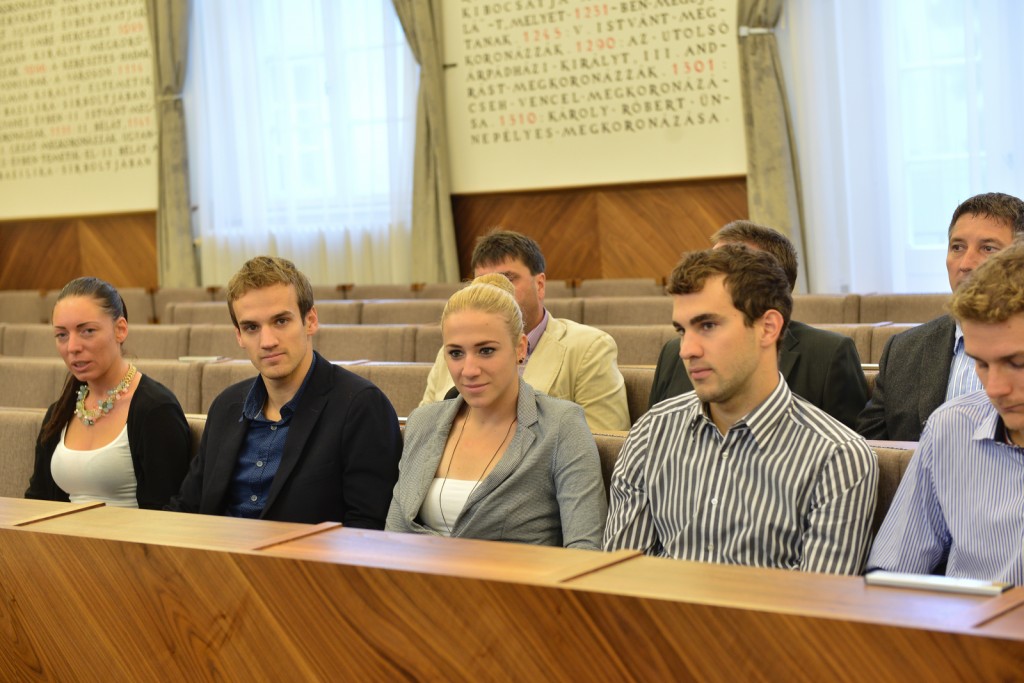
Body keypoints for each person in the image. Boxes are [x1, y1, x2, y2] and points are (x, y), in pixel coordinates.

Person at [604, 246, 878, 574]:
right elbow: (621, 579)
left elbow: (817, 601)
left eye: (707, 325)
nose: (686, 350)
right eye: (682, 330)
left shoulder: (837, 457)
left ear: (768, 328)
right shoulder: (651, 433)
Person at [165, 256, 402, 526]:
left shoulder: (361, 406)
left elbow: (367, 528)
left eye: (280, 321)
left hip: (305, 554)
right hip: (217, 550)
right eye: (251, 327)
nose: (267, 341)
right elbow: (187, 507)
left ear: (310, 321)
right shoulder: (226, 406)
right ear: (239, 336)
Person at [388, 273, 607, 548]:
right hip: (417, 574)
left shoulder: (561, 425)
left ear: (520, 348)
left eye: (486, 351)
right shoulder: (423, 422)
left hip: (519, 576)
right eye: (456, 353)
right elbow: (393, 537)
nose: (469, 370)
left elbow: (585, 549)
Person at [868, 242, 1024, 584]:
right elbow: (892, 575)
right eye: (981, 364)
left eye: (1017, 363)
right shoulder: (951, 427)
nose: (995, 388)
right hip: (964, 618)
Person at [649, 221, 868, 428]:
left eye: (732, 265)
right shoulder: (673, 354)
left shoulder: (827, 354)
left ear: (774, 284)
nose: (708, 275)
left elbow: (858, 439)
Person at [420, 229, 629, 432]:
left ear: (539, 285)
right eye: (483, 283)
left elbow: (605, 442)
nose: (497, 290)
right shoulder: (452, 353)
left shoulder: (589, 348)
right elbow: (425, 430)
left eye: (508, 279)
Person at [857, 192, 1024, 441]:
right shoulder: (903, 350)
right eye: (957, 247)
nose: (966, 264)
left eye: (988, 248)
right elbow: (873, 450)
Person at [26, 277, 190, 509]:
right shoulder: (60, 411)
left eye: (87, 331)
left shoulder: (156, 410)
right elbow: (37, 501)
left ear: (120, 330)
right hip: (61, 532)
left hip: (133, 532)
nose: (72, 347)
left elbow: (169, 513)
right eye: (62, 335)